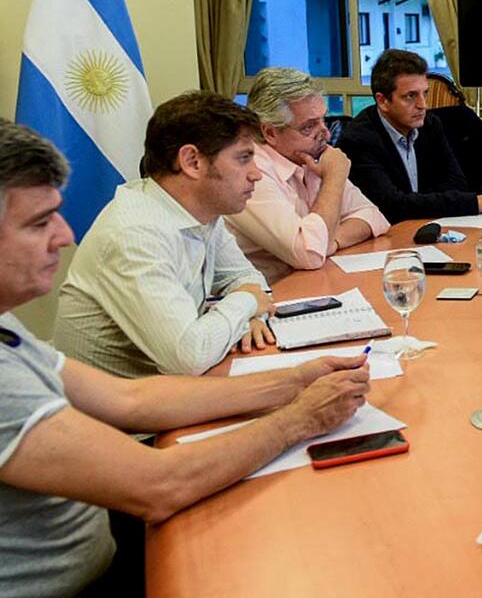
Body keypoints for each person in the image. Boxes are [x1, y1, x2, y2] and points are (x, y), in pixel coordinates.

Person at [0, 118, 370, 596]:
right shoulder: (134, 231)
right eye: (38, 222)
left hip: (107, 536)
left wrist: (294, 381)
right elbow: (157, 485)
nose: (65, 236)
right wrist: (299, 418)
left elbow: (129, 399)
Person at [55, 92, 278, 379]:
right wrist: (246, 304)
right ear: (192, 161)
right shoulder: (134, 234)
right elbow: (188, 358)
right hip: (120, 418)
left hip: (168, 394)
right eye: (243, 158)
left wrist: (250, 316)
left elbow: (248, 280)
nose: (256, 174)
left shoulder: (201, 212)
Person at [225, 68, 390, 282]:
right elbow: (309, 254)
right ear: (270, 133)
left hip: (313, 283)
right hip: (270, 295)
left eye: (324, 120)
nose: (327, 134)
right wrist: (334, 178)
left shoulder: (310, 156)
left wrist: (331, 241)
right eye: (309, 126)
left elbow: (373, 216)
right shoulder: (251, 171)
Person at [339, 49, 482, 222]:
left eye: (424, 93)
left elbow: (457, 184)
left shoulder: (430, 124)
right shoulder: (358, 141)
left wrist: (416, 203)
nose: (423, 105)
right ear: (383, 101)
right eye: (411, 96)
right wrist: (472, 203)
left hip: (427, 226)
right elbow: (392, 207)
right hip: (386, 238)